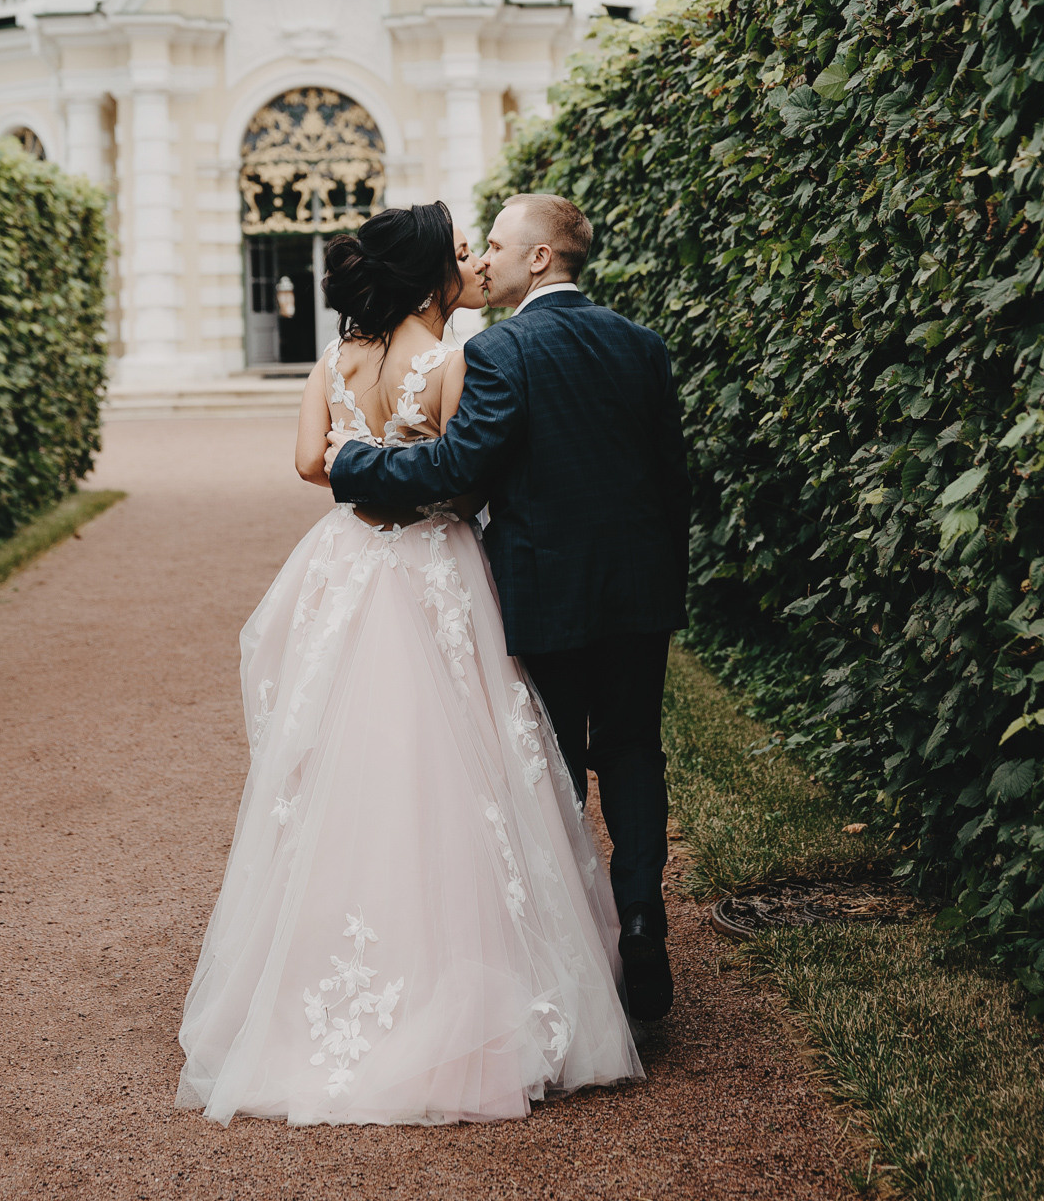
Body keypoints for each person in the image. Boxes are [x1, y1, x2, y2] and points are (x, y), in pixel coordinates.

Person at [176, 201, 642, 1127]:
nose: (472, 264)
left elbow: (312, 461)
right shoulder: (456, 359)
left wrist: (359, 458)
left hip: (350, 566)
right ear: (432, 276)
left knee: (342, 753)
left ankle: (314, 976)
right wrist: (422, 475)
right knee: (465, 753)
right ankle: (479, 974)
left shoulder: (331, 363)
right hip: (436, 563)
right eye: (461, 255)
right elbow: (470, 478)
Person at [327, 193, 690, 1025]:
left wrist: (356, 468)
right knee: (634, 749)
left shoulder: (500, 351)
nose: (480, 259)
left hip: (545, 584)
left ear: (538, 259)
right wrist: (665, 579)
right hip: (638, 588)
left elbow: (456, 465)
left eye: (493, 244)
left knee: (553, 758)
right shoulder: (644, 346)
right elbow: (674, 482)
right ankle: (639, 916)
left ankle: (571, 938)